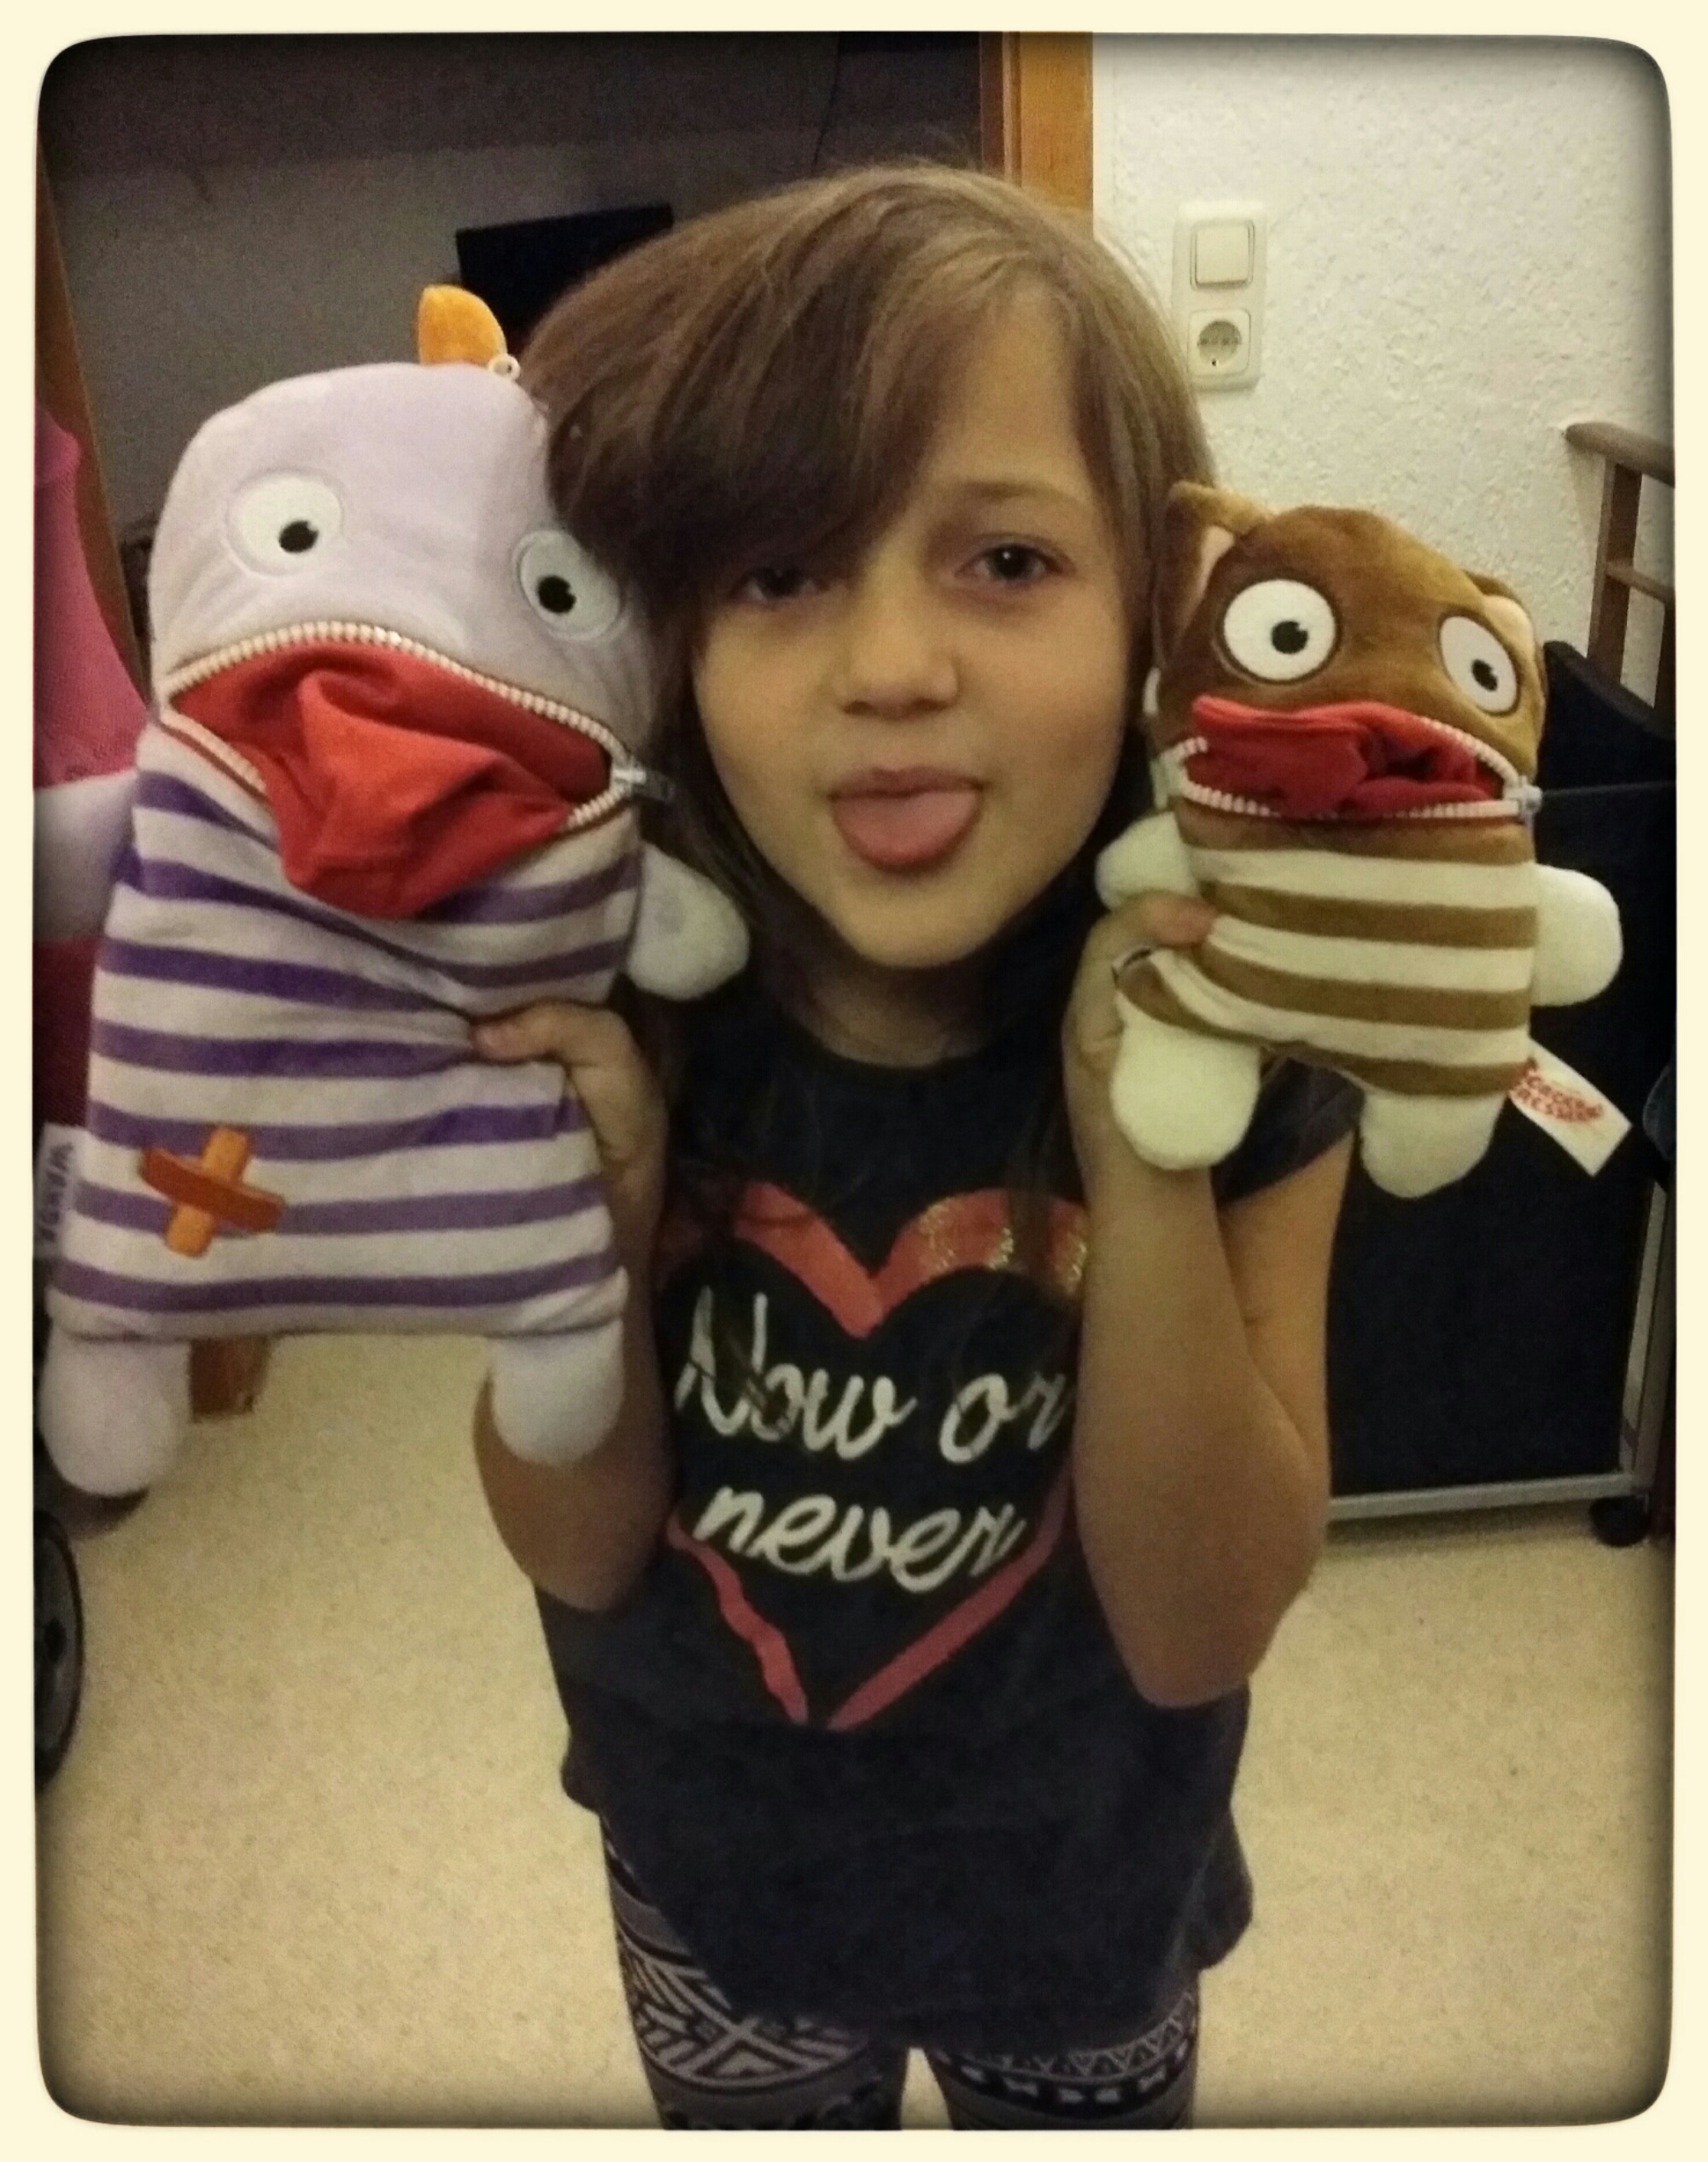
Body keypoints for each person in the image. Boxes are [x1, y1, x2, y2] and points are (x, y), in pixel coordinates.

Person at [470, 163, 1357, 2130]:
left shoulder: (1250, 1042)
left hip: (1084, 1902)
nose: (888, 666)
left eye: (1005, 560)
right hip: (712, 1888)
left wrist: (1143, 1149)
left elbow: (1201, 1624)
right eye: (778, 574)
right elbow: (570, 1541)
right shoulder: (624, 1008)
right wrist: (599, 1219)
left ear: (1159, 610)